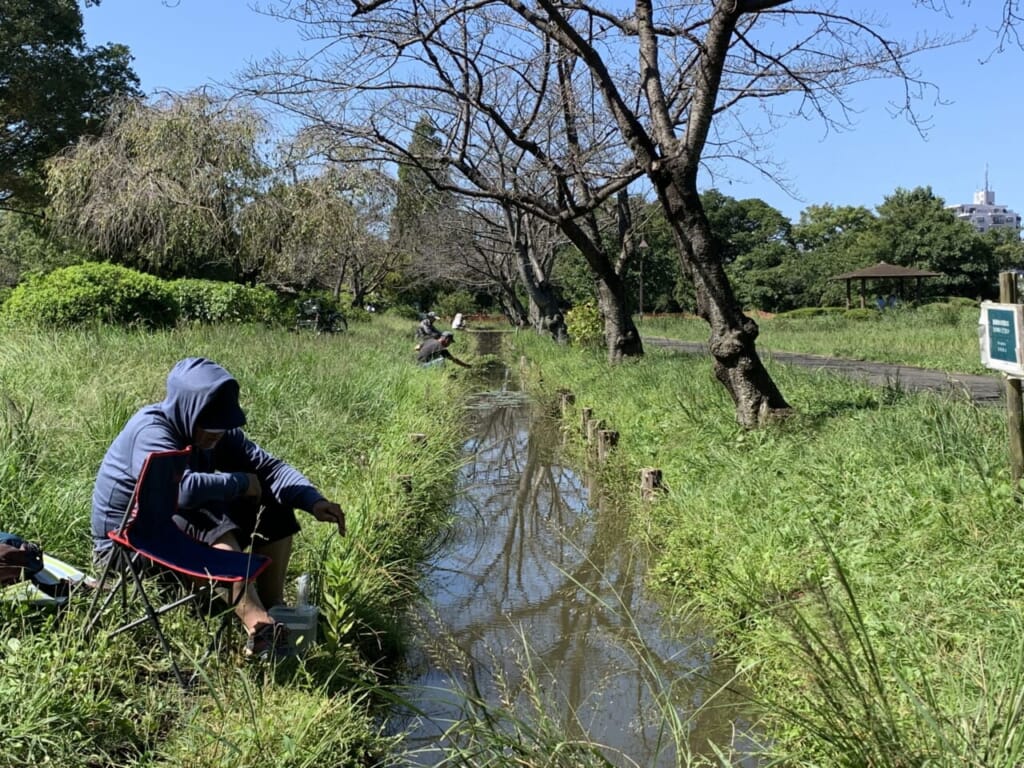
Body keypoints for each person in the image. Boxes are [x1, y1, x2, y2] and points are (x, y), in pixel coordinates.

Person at [91, 357, 346, 659]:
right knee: (206, 511)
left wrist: (313, 501)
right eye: (210, 427)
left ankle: (273, 606)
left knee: (272, 504)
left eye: (223, 427)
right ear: (189, 411)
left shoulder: (217, 435)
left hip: (170, 533)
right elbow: (180, 491)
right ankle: (258, 624)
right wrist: (239, 482)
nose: (218, 434)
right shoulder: (151, 431)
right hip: (128, 547)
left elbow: (268, 467)